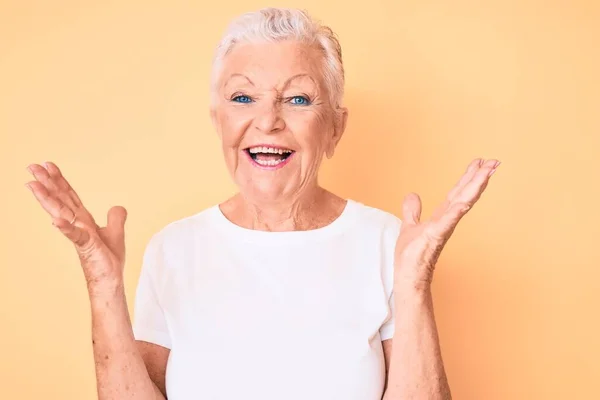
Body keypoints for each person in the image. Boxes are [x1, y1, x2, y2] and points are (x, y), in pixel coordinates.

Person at [25, 7, 499, 400]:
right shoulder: (174, 247)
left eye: (297, 98)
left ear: (335, 127)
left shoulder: (387, 241)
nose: (267, 120)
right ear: (218, 121)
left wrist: (414, 282)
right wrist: (102, 282)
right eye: (243, 97)